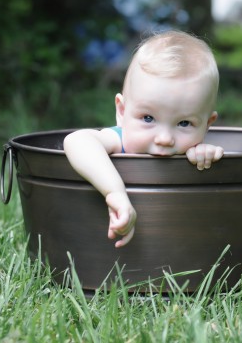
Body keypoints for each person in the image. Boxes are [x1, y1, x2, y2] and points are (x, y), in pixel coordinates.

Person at [63, 30, 224, 248]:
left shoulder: (194, 148)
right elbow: (77, 141)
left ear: (207, 125)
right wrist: (114, 191)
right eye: (148, 118)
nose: (165, 138)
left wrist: (204, 158)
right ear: (122, 111)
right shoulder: (119, 140)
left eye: (184, 123)